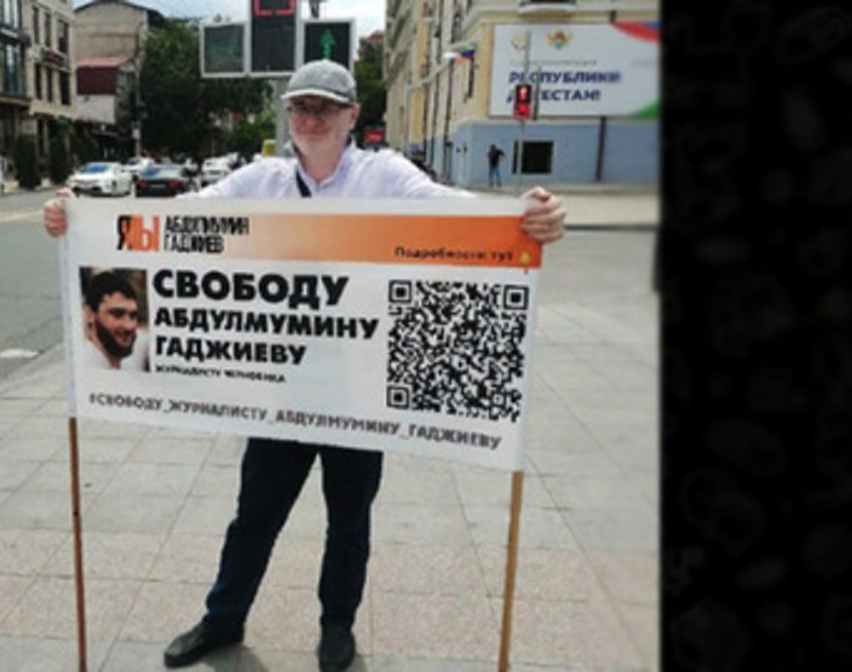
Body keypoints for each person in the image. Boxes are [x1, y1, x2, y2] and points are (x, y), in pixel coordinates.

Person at [43, 59, 566, 671]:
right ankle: (222, 620)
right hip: (281, 388)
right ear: (288, 116)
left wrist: (525, 220)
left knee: (350, 518)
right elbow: (173, 220)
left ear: (351, 117)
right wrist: (77, 220)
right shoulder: (258, 181)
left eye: (324, 108)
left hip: (359, 389)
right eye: (300, 108)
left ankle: (337, 626)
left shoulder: (385, 176)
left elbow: (456, 211)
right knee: (255, 515)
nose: (310, 119)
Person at [81, 269, 149, 371]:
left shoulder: (129, 362)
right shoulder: (83, 366)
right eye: (117, 314)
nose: (128, 326)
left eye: (133, 316)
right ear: (89, 314)